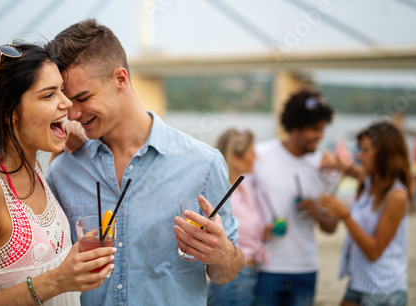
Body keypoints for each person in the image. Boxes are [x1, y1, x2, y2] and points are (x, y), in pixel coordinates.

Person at [45, 19, 244, 306]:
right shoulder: (63, 170)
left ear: (121, 79)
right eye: (66, 100)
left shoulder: (205, 164)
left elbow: (228, 272)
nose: (72, 114)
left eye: (83, 98)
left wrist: (222, 253)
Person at [0, 42, 116, 305]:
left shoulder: (34, 169)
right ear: (8, 114)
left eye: (61, 90)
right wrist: (57, 281)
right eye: (48, 95)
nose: (67, 103)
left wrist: (63, 145)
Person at [252, 89, 338, 306]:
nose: (320, 136)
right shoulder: (259, 156)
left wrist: (316, 211)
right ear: (295, 127)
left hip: (305, 268)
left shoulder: (323, 166)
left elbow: (331, 227)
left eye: (322, 129)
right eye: (314, 129)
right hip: (266, 268)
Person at [320, 122, 411, 305]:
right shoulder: (371, 180)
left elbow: (374, 252)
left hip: (383, 289)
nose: (359, 155)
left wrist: (345, 216)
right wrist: (331, 157)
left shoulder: (396, 195)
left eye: (365, 150)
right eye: (359, 149)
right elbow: (347, 168)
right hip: (359, 282)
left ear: (384, 154)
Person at [207, 128, 273, 306]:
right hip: (235, 277)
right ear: (236, 159)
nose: (256, 158)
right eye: (252, 153)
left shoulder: (245, 186)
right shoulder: (224, 196)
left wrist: (262, 233)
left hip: (249, 272)